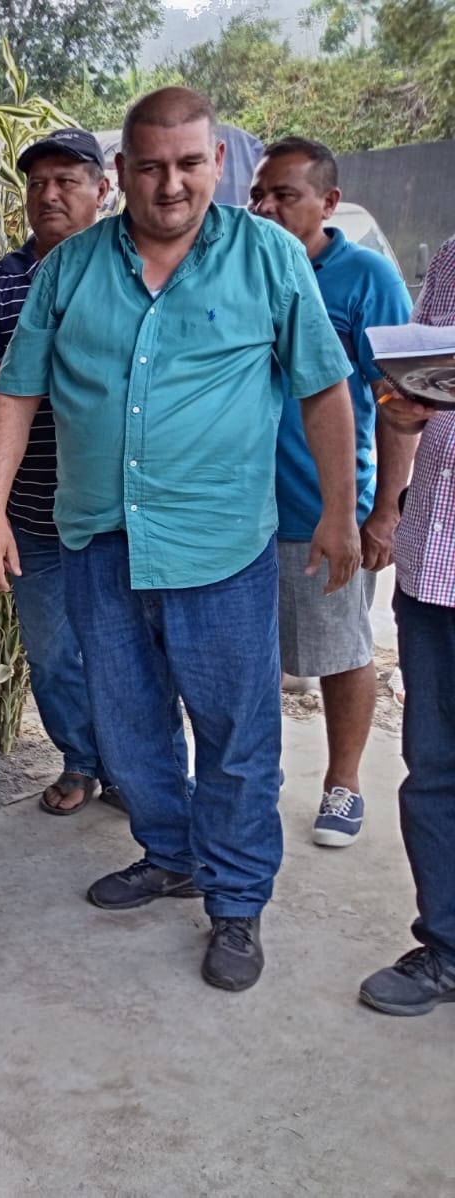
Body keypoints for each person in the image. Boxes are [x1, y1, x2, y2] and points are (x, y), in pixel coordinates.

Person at [0, 88, 361, 992]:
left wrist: (340, 511)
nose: (171, 184)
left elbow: (322, 388)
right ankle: (171, 853)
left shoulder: (267, 256)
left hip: (219, 549)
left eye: (189, 164)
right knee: (128, 722)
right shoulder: (71, 269)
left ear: (217, 163)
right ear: (122, 173)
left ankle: (236, 899)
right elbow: (17, 392)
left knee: (235, 734)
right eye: (150, 166)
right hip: (99, 542)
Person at [247, 137, 415, 848]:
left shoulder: (365, 278)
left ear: (328, 203)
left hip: (322, 511)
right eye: (259, 195)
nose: (265, 208)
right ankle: (251, 785)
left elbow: (399, 400)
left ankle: (343, 784)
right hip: (236, 512)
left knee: (341, 651)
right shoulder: (243, 266)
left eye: (284, 195)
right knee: (244, 663)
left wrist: (382, 513)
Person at [0, 127, 128, 816]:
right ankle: (82, 759)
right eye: (37, 183)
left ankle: (134, 769)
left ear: (103, 190)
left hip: (122, 512)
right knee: (54, 652)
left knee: (132, 650)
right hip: (33, 513)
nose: (49, 194)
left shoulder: (135, 270)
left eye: (66, 181)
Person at [358, 233, 455, 1017]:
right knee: (434, 770)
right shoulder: (453, 259)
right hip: (433, 568)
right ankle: (447, 946)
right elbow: (407, 407)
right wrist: (397, 405)